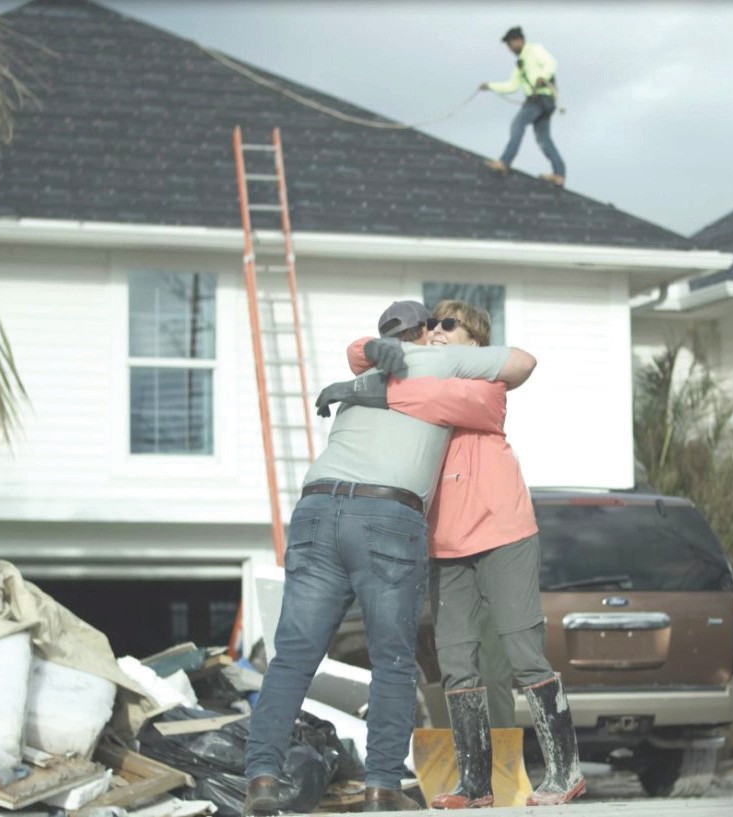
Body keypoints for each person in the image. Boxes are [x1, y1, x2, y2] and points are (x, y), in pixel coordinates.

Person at [242, 300, 536, 816]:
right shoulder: (436, 360)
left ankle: (262, 777)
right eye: (438, 326)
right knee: (393, 662)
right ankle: (380, 785)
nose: (443, 334)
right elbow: (521, 364)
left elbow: (357, 352)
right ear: (423, 334)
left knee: (292, 656)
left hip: (316, 505)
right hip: (384, 511)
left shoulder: (367, 379)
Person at [325, 300, 585, 808]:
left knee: (521, 648)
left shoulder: (485, 389)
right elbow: (357, 354)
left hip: (503, 529)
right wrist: (377, 366)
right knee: (455, 658)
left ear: (475, 342)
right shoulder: (431, 377)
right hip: (444, 539)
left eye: (449, 325)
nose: (436, 332)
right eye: (431, 326)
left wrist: (372, 391)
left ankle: (565, 770)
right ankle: (475, 784)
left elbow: (416, 395)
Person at [481, 26, 566, 187]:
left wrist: (542, 76)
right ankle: (559, 174)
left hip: (541, 98)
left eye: (509, 45)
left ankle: (505, 161)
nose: (509, 49)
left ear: (518, 40)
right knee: (543, 138)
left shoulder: (535, 50)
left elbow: (550, 63)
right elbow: (512, 85)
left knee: (518, 123)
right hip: (542, 101)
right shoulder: (520, 63)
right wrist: (490, 86)